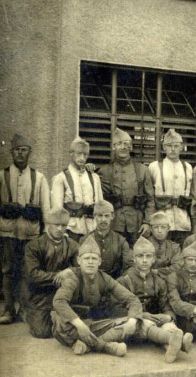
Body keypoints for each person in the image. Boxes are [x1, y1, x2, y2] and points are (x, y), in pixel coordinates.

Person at [51, 236, 142, 357]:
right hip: (72, 324)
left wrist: (132, 320)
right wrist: (80, 325)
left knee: (129, 322)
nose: (90, 262)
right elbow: (59, 301)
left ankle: (85, 345)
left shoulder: (105, 278)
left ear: (99, 261)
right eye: (86, 258)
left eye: (94, 258)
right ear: (79, 260)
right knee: (60, 325)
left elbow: (132, 299)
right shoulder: (72, 278)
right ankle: (106, 347)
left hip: (93, 323)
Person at [0, 133, 50, 324]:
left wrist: (45, 233)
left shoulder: (39, 178)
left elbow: (46, 208)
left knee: (28, 271)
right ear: (11, 152)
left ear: (30, 152)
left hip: (31, 234)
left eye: (24, 150)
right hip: (8, 232)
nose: (20, 154)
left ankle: (25, 309)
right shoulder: (2, 176)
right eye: (16, 150)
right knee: (8, 271)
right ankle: (8, 310)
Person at [117, 236, 191, 363]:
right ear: (134, 259)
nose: (144, 260)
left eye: (148, 256)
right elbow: (115, 308)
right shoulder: (123, 281)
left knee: (168, 325)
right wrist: (139, 315)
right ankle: (179, 342)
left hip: (155, 321)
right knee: (146, 324)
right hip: (134, 325)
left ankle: (172, 346)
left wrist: (168, 316)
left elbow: (165, 305)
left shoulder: (159, 281)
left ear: (153, 259)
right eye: (140, 256)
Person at [23, 208, 78, 337]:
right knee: (42, 332)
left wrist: (69, 270)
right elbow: (33, 274)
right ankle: (28, 312)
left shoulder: (73, 246)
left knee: (77, 322)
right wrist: (59, 275)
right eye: (56, 225)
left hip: (64, 293)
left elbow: (80, 268)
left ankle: (59, 316)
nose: (59, 229)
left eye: (63, 225)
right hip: (39, 295)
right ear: (48, 224)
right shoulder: (34, 246)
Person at [98, 128, 154, 247]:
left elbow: (150, 199)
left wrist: (147, 222)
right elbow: (99, 200)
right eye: (119, 144)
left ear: (131, 147)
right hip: (114, 223)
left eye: (126, 144)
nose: (123, 147)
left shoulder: (142, 170)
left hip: (137, 224)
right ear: (113, 147)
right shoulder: (105, 171)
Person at [51, 136, 103, 243]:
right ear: (71, 154)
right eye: (78, 154)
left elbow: (100, 204)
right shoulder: (61, 178)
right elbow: (57, 209)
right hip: (71, 230)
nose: (82, 158)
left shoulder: (94, 178)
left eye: (85, 155)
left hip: (91, 229)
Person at [148, 129, 193, 246]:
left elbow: (192, 195)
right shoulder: (154, 167)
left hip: (182, 221)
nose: (173, 149)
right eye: (169, 146)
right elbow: (149, 196)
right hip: (162, 221)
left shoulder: (188, 167)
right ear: (164, 148)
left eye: (176, 146)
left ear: (181, 147)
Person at [80, 200, 133, 278]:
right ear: (94, 216)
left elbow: (129, 266)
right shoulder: (85, 240)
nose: (103, 219)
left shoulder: (121, 241)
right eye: (100, 216)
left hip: (115, 281)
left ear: (112, 216)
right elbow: (80, 266)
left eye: (106, 216)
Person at [148, 211, 184, 276]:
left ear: (168, 228)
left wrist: (158, 271)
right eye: (156, 227)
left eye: (163, 227)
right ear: (151, 229)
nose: (159, 231)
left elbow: (177, 266)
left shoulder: (174, 247)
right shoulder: (144, 245)